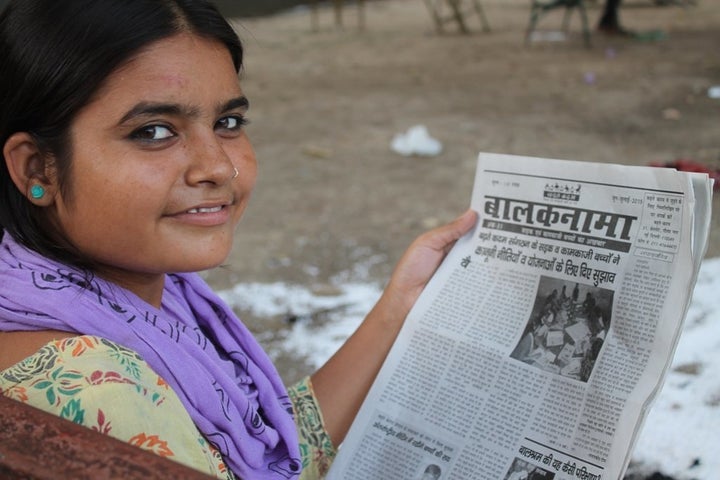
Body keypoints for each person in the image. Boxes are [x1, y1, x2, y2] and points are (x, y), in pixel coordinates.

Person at [0, 1, 476, 479]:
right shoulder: (100, 386)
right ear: (37, 167)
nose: (217, 167)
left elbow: (283, 455)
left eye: (227, 123)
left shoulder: (136, 300)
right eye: (154, 131)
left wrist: (400, 304)